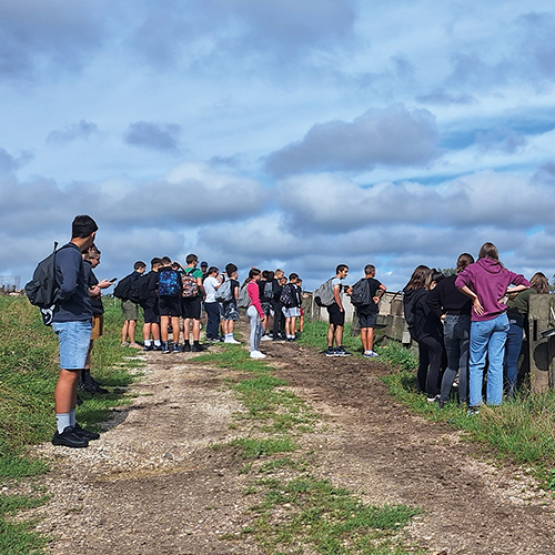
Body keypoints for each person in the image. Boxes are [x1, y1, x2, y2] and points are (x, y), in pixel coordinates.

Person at [455, 242, 531, 412]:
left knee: (476, 363)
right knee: (496, 362)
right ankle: (495, 403)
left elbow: (459, 283)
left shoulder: (474, 269)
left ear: (481, 253)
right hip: (501, 319)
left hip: (482, 319)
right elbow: (526, 283)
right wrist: (506, 292)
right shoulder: (503, 271)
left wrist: (474, 297)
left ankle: (475, 405)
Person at [51, 215, 100, 448]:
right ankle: (62, 430)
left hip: (74, 319)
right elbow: (69, 286)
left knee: (73, 373)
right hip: (71, 320)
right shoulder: (70, 254)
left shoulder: (66, 253)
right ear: (92, 235)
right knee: (69, 374)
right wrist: (61, 301)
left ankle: (70, 424)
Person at [427, 254, 474, 408]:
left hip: (449, 321)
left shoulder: (446, 282)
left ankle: (443, 400)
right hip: (466, 320)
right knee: (464, 365)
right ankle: (462, 401)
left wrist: (440, 314)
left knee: (451, 364)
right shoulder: (472, 283)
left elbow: (430, 299)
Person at [504, 272, 549, 396]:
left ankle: (499, 390)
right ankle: (510, 393)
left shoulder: (522, 291)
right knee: (512, 361)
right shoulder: (533, 294)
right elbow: (536, 317)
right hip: (515, 322)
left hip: (503, 321)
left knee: (503, 360)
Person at [81, 245, 113, 394]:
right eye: (97, 259)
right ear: (91, 257)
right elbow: (86, 290)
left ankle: (86, 378)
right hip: (90, 311)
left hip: (92, 310)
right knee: (86, 346)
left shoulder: (85, 269)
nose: (99, 262)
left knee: (89, 346)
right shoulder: (85, 268)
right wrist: (99, 287)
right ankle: (85, 380)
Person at [410, 270, 446, 400]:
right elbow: (432, 316)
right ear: (434, 284)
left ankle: (421, 388)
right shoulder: (428, 298)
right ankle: (432, 393)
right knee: (436, 363)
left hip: (421, 334)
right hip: (430, 335)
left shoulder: (418, 295)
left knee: (424, 362)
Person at [356, 264, 386, 358]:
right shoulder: (374, 282)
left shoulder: (360, 282)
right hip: (371, 307)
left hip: (361, 308)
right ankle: (369, 351)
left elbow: (349, 290)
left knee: (363, 329)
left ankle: (365, 350)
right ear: (372, 272)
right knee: (370, 329)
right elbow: (384, 288)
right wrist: (378, 297)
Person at [158, 256, 182, 353]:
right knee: (175, 322)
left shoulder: (159, 273)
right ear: (170, 263)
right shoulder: (176, 273)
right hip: (175, 299)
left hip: (163, 299)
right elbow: (180, 286)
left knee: (164, 322)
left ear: (162, 264)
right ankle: (175, 345)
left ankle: (165, 345)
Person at [326, 264, 352, 356]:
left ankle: (330, 348)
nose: (346, 274)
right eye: (345, 271)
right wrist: (340, 306)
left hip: (330, 305)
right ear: (339, 271)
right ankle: (339, 348)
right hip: (335, 305)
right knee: (339, 327)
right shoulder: (337, 281)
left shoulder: (331, 280)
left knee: (332, 326)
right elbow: (336, 294)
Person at [119, 261, 146, 348]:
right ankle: (132, 342)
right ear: (141, 268)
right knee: (132, 322)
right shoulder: (137, 277)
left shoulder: (129, 277)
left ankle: (124, 342)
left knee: (126, 322)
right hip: (131, 301)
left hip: (124, 300)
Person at [181, 254, 205, 352]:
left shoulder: (181, 273)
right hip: (195, 297)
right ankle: (195, 344)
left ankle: (186, 344)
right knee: (196, 320)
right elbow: (199, 283)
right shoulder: (198, 272)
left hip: (184, 297)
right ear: (194, 261)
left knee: (186, 320)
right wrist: (203, 293)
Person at [141, 257, 162, 352]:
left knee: (147, 322)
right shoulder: (157, 275)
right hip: (154, 301)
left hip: (145, 301)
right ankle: (157, 342)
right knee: (155, 322)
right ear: (158, 265)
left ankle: (146, 342)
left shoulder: (146, 276)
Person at [246, 268, 266, 359]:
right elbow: (256, 300)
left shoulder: (250, 284)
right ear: (254, 276)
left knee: (258, 330)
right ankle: (253, 350)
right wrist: (261, 313)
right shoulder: (254, 285)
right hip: (254, 308)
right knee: (255, 330)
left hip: (252, 308)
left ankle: (255, 349)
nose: (260, 277)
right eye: (259, 275)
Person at [220, 263, 241, 344]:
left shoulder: (226, 282)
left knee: (225, 319)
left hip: (225, 302)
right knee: (231, 320)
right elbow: (236, 294)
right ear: (234, 273)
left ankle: (225, 336)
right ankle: (230, 336)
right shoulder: (235, 283)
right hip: (232, 302)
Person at [203, 266, 222, 342]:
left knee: (210, 319)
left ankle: (209, 335)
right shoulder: (212, 279)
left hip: (206, 301)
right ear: (213, 272)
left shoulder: (206, 280)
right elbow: (219, 287)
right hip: (212, 300)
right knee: (215, 319)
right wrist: (220, 280)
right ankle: (214, 336)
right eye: (217, 273)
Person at [281, 273, 302, 342]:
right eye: (296, 279)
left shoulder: (285, 286)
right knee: (293, 320)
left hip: (286, 305)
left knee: (287, 320)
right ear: (293, 279)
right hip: (293, 305)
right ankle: (293, 335)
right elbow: (297, 297)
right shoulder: (295, 287)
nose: (296, 280)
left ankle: (288, 335)